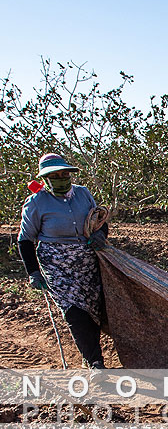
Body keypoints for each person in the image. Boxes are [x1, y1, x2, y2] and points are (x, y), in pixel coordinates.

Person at [19, 153, 110, 369]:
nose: (61, 178)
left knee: (93, 309)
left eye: (64, 174)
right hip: (57, 266)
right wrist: (33, 272)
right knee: (74, 310)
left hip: (87, 262)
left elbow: (98, 221)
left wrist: (100, 235)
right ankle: (95, 361)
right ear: (45, 179)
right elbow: (25, 240)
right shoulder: (36, 202)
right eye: (55, 176)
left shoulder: (83, 194)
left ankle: (92, 355)